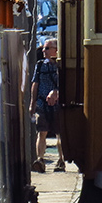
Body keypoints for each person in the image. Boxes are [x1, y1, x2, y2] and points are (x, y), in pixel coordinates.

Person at [31, 37, 64, 173]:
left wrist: (56, 92)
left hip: (58, 105)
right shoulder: (40, 65)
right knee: (41, 132)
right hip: (42, 103)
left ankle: (61, 160)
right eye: (44, 48)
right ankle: (40, 159)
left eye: (47, 48)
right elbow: (35, 83)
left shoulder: (61, 66)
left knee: (59, 133)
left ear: (56, 50)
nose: (43, 51)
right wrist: (33, 103)